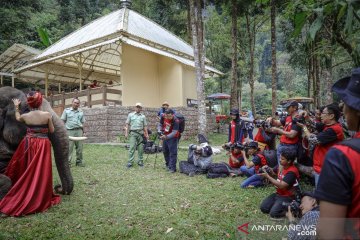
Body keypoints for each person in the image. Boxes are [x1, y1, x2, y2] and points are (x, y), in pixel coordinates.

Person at [315, 68, 360, 239]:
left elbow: (328, 232)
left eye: (345, 102)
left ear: (357, 110)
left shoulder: (343, 155)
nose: (343, 108)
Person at [0, 91, 61, 216]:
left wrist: (17, 107)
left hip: (29, 142)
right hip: (43, 144)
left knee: (28, 167)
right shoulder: (47, 115)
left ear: (29, 103)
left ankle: (25, 189)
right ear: (40, 103)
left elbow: (17, 118)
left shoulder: (26, 116)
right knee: (41, 169)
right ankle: (40, 192)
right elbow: (52, 130)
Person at [298, 104, 344, 187]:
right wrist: (306, 116)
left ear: (331, 116)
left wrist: (304, 128)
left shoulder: (334, 129)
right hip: (321, 166)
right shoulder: (327, 126)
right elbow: (314, 124)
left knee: (322, 194)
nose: (320, 115)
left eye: (323, 113)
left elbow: (313, 140)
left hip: (325, 168)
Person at [260, 150, 300, 219]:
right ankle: (279, 206)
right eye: (280, 158)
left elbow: (281, 186)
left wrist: (268, 177)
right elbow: (275, 175)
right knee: (263, 208)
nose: (280, 160)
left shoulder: (292, 172)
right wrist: (267, 170)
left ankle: (289, 212)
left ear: (289, 161)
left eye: (282, 159)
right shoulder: (282, 166)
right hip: (278, 194)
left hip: (288, 196)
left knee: (273, 213)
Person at [269, 101, 302, 166]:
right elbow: (277, 122)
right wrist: (271, 119)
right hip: (282, 144)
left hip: (290, 147)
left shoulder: (297, 118)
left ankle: (284, 175)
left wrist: (278, 130)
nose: (286, 109)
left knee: (285, 166)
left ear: (295, 108)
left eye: (288, 107)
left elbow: (292, 134)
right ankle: (281, 175)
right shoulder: (288, 117)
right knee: (280, 165)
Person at [61, 98, 86, 167]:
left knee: (80, 148)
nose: (76, 104)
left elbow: (83, 122)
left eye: (78, 103)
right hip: (69, 131)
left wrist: (84, 131)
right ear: (72, 103)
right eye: (75, 102)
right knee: (69, 148)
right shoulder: (66, 111)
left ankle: (79, 162)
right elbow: (62, 121)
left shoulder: (81, 112)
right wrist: (63, 131)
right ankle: (68, 163)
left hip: (79, 131)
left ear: (79, 104)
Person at [124, 103, 149, 168]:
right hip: (133, 133)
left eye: (139, 107)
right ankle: (130, 162)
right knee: (132, 148)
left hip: (140, 134)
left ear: (141, 108)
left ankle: (140, 161)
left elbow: (145, 126)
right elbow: (127, 124)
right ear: (135, 107)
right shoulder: (130, 115)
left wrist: (146, 134)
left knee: (140, 149)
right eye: (137, 107)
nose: (138, 108)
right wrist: (126, 133)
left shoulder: (143, 116)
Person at [158, 109, 180, 173]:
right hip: (165, 135)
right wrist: (159, 130)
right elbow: (160, 124)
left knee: (172, 153)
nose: (168, 118)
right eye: (166, 116)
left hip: (173, 137)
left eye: (169, 116)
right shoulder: (163, 116)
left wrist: (166, 137)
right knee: (165, 151)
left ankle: (173, 168)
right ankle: (168, 165)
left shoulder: (176, 121)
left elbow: (174, 132)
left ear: (172, 115)